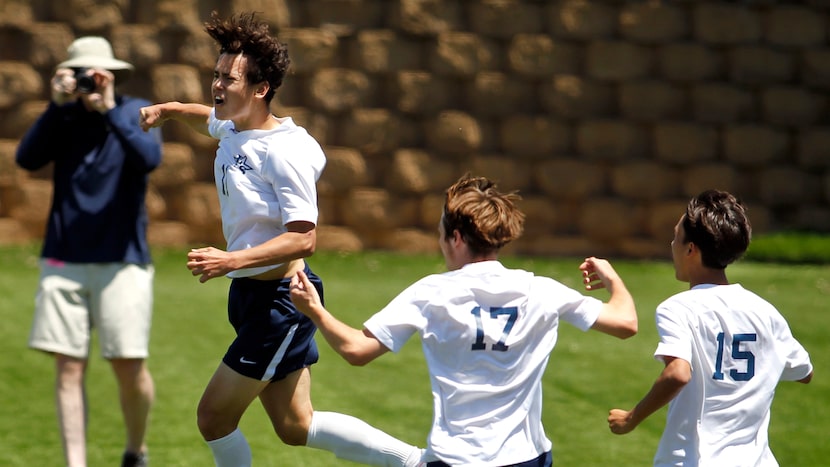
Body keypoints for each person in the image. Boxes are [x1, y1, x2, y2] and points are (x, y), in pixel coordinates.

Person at [138, 11, 422, 467]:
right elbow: (205, 119)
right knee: (295, 425)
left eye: (228, 79)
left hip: (280, 302)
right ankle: (414, 461)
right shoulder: (234, 125)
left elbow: (304, 240)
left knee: (213, 418)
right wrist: (169, 111)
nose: (217, 87)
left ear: (260, 89)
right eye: (215, 75)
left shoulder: (284, 152)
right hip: (252, 296)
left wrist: (230, 261)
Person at [289, 174, 639, 466]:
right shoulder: (541, 290)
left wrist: (315, 310)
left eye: (441, 233)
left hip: (456, 458)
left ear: (456, 237)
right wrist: (611, 278)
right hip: (528, 458)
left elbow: (356, 350)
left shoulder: (431, 293)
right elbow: (625, 324)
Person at [15, 36, 162, 467]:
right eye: (85, 74)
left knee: (129, 367)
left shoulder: (134, 112)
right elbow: (27, 159)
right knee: (69, 368)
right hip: (64, 259)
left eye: (100, 74)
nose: (92, 81)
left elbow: (148, 158)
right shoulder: (63, 117)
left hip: (124, 261)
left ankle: (136, 449)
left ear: (114, 75)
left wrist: (110, 109)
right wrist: (55, 104)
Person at [607, 190, 814, 466]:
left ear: (691, 249)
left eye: (675, 238)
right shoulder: (765, 312)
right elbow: (804, 372)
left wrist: (630, 419)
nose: (671, 246)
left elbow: (678, 373)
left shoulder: (677, 308)